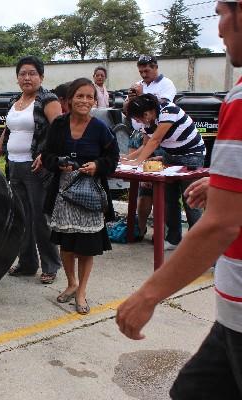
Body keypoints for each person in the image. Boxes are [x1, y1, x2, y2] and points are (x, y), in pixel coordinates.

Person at [117, 3, 242, 398]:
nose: (219, 29)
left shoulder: (233, 101)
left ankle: (175, 238)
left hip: (239, 311)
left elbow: (222, 223)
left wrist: (148, 294)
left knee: (195, 210)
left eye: (222, 13)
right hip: (231, 316)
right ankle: (172, 234)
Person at [42, 78, 119, 314]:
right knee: (66, 244)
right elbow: (46, 156)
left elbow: (113, 159)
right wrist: (59, 163)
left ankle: (82, 291)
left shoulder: (100, 128)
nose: (84, 101)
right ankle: (71, 283)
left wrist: (97, 165)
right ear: (70, 99)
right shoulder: (58, 125)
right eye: (80, 96)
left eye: (89, 97)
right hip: (64, 194)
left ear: (94, 101)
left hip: (90, 195)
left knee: (87, 247)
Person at [0, 56, 62, 283]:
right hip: (15, 166)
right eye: (23, 74)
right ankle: (27, 263)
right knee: (22, 218)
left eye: (32, 73)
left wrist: (45, 154)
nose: (27, 78)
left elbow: (60, 130)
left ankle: (50, 266)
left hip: (36, 168)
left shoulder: (47, 99)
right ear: (17, 78)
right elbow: (7, 131)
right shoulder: (14, 101)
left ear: (41, 76)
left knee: (40, 219)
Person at [122, 94, 205, 249]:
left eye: (138, 119)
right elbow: (145, 145)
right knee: (169, 200)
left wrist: (137, 162)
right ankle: (174, 239)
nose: (138, 122)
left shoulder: (169, 111)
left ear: (146, 114)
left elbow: (155, 141)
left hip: (191, 156)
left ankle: (199, 243)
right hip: (169, 157)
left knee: (191, 199)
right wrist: (128, 159)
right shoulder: (148, 122)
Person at [126, 55, 178, 243]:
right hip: (142, 135)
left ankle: (161, 232)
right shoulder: (138, 84)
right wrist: (131, 98)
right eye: (141, 71)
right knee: (144, 188)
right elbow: (128, 110)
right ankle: (139, 229)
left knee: (161, 190)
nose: (143, 74)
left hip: (160, 139)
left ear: (155, 67)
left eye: (147, 70)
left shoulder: (167, 85)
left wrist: (140, 96)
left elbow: (157, 109)